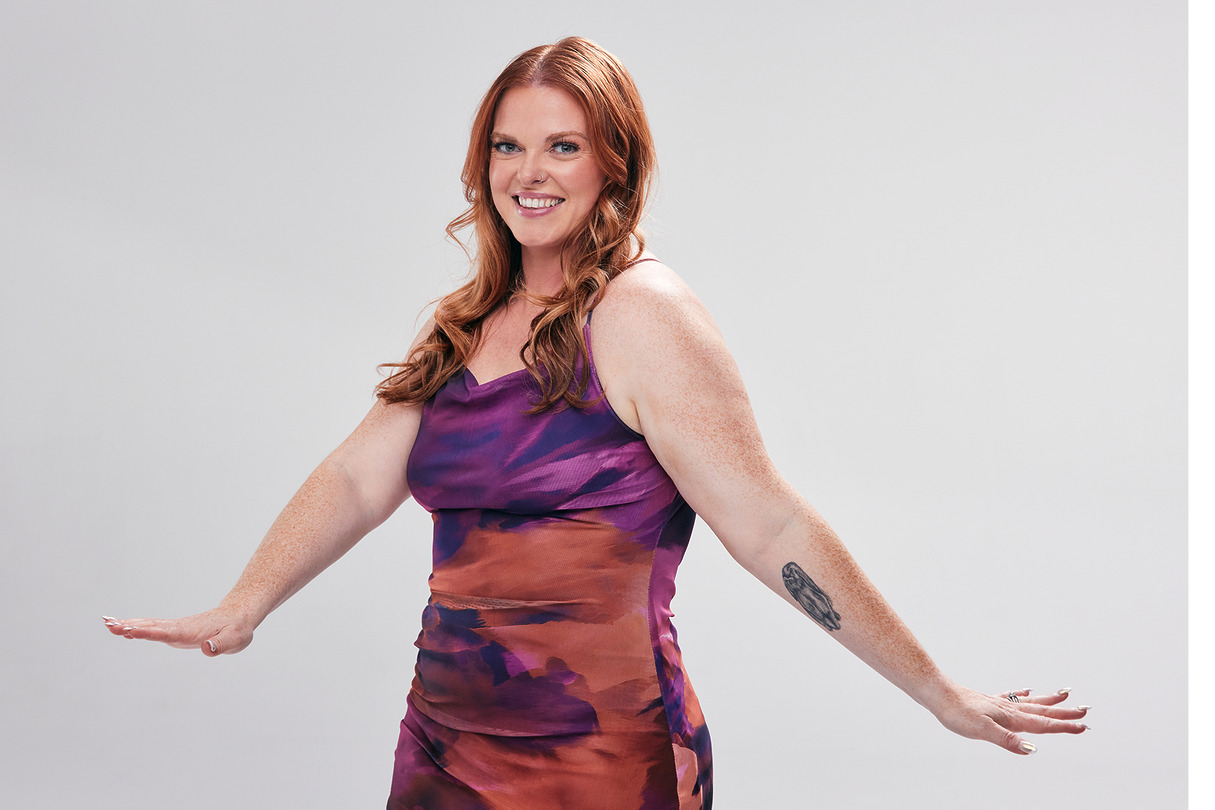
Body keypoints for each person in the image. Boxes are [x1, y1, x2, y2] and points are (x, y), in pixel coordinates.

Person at [103, 36, 1089, 810]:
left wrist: (937, 691)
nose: (528, 173)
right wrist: (247, 602)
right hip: (445, 742)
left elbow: (770, 525)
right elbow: (360, 477)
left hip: (602, 755)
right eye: (508, 145)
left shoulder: (642, 314)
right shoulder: (467, 324)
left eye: (562, 145)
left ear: (615, 161)